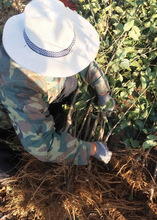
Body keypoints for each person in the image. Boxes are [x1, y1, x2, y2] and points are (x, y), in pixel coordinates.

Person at [0, 0, 115, 179]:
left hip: (23, 103)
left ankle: (38, 123)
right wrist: (91, 149)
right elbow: (42, 147)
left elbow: (78, 59)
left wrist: (103, 91)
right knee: (9, 168)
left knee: (69, 82)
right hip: (4, 117)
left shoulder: (36, 37)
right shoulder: (18, 85)